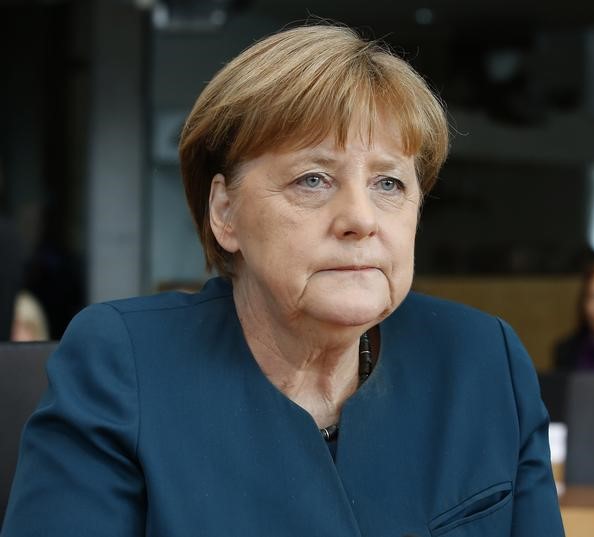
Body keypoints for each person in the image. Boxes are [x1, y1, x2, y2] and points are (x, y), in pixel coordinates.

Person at [2, 25, 564, 536]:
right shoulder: (123, 365)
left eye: (389, 184)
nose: (361, 219)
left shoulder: (482, 359)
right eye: (313, 179)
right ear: (225, 212)